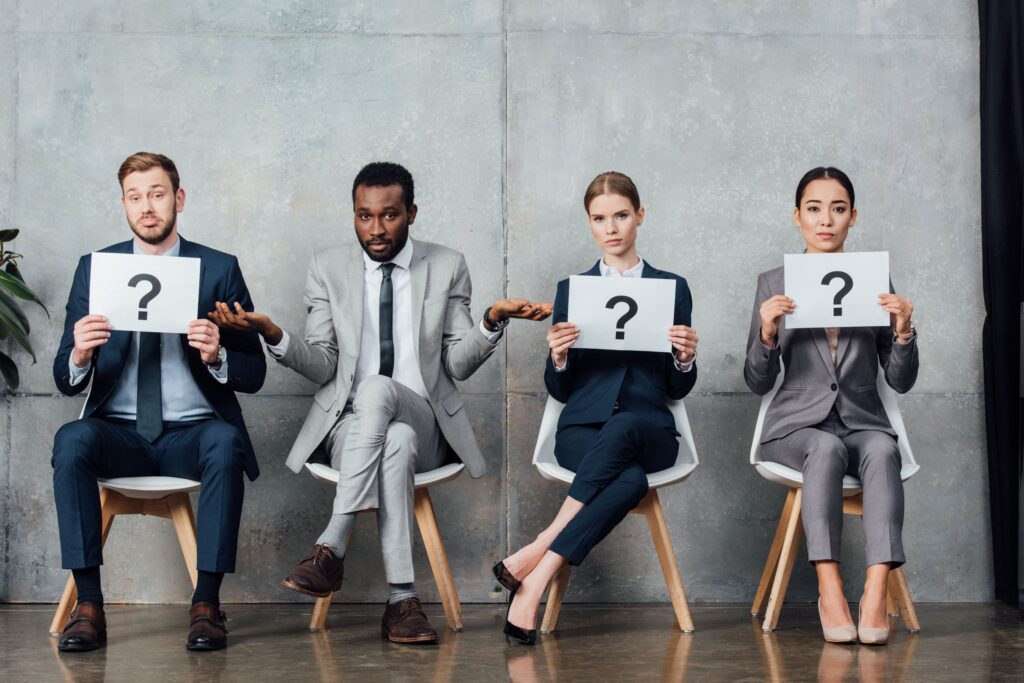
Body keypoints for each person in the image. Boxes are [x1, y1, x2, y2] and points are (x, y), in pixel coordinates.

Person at [210, 161, 550, 644]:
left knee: (383, 394)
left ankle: (331, 545)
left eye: (388, 216)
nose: (375, 228)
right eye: (363, 216)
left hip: (427, 419)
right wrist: (273, 334)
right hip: (351, 428)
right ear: (353, 214)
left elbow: (457, 365)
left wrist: (492, 321)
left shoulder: (446, 264)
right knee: (395, 439)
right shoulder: (327, 268)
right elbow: (323, 365)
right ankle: (402, 603)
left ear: (411, 212)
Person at [51, 152, 267, 652]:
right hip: (119, 432)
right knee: (72, 439)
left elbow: (254, 373)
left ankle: (207, 604)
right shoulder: (95, 269)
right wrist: (80, 352)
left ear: (179, 199)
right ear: (123, 205)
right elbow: (64, 378)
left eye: (157, 194)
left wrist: (218, 357)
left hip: (191, 434)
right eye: (135, 196)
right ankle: (88, 605)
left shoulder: (218, 268)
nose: (147, 207)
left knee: (224, 440)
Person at [493, 171, 699, 645]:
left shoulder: (673, 287)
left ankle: (538, 551)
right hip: (583, 429)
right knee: (628, 482)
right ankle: (535, 583)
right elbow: (560, 391)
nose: (612, 228)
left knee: (628, 426)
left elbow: (678, 387)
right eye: (600, 218)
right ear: (589, 224)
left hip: (650, 430)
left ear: (639, 216)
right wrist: (559, 358)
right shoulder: (573, 289)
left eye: (622, 215)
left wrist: (685, 358)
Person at [743, 167, 918, 645]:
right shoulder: (774, 281)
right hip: (796, 427)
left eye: (838, 209)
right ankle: (830, 588)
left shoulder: (873, 279)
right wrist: (766, 333)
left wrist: (903, 330)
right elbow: (758, 381)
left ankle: (876, 591)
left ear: (852, 217)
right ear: (797, 216)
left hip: (862, 420)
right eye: (814, 209)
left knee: (883, 451)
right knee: (824, 448)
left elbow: (899, 381)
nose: (826, 220)